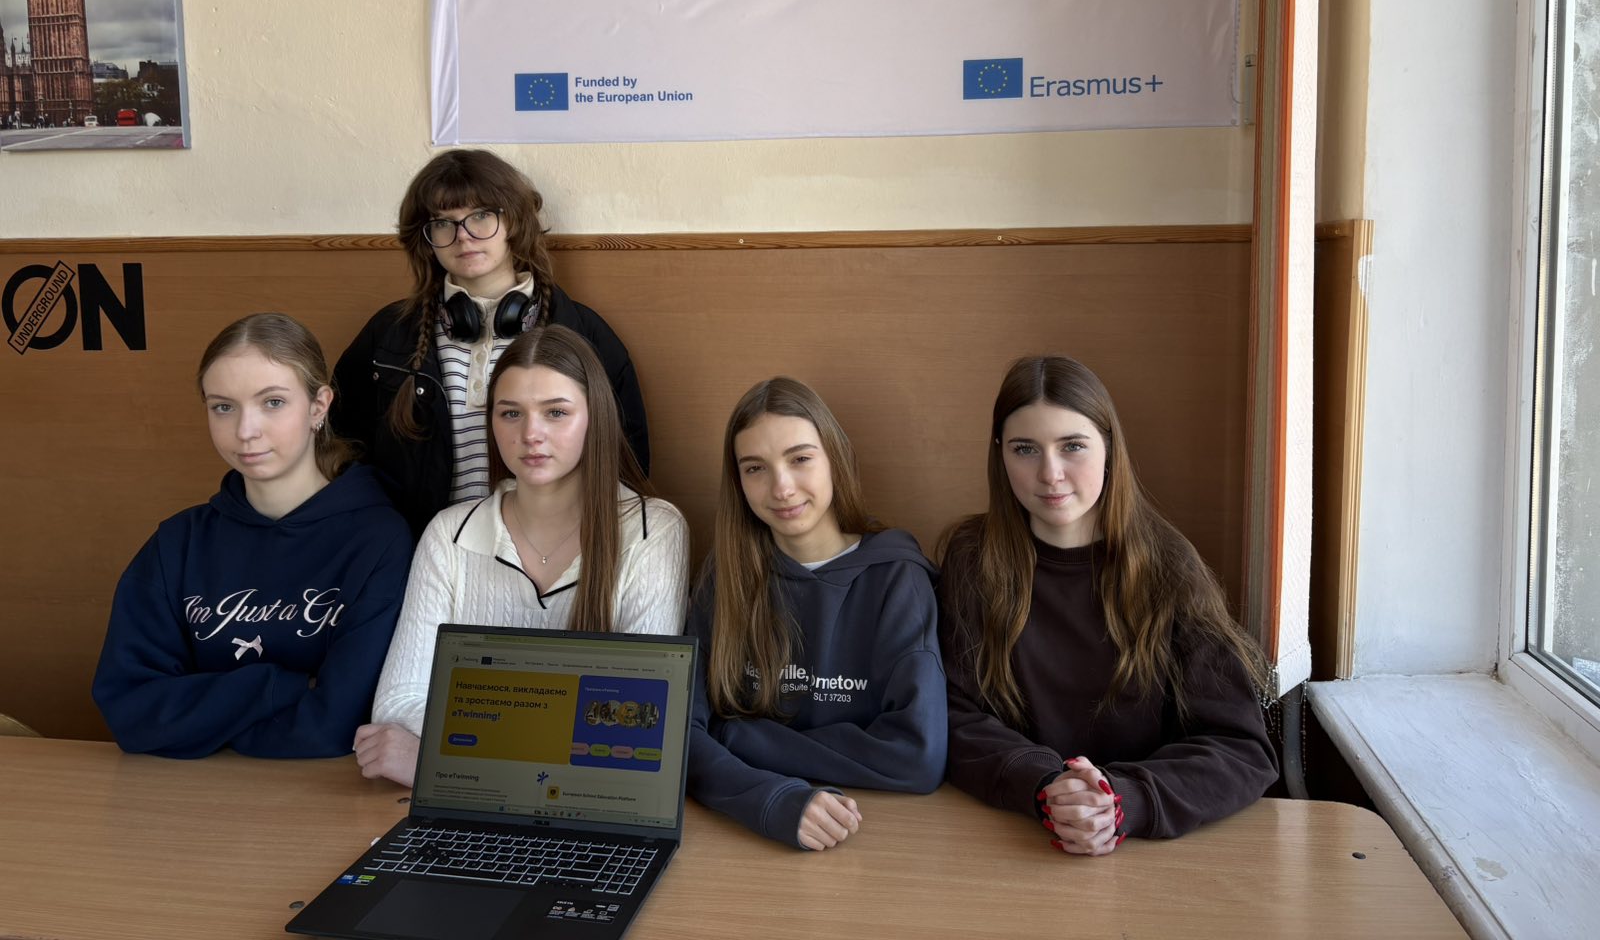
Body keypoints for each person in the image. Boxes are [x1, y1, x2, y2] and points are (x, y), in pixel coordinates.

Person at [938, 356, 1277, 856]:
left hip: (1150, 850)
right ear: (1000, 456)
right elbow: (953, 717)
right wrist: (1046, 785)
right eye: (1025, 449)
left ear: (1109, 449)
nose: (1050, 474)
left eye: (1072, 446)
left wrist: (1122, 801)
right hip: (1010, 838)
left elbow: (1241, 749)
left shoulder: (1169, 566)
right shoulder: (972, 558)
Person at [356, 325, 687, 786]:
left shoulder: (654, 529)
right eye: (511, 413)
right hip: (464, 812)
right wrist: (542, 736)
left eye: (556, 412)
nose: (531, 433)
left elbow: (637, 718)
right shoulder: (448, 534)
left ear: (596, 417)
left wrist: (436, 762)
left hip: (586, 808)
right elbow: (397, 704)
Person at [91, 313, 413, 758]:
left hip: (320, 793)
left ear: (319, 406)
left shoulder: (380, 541)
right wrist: (282, 687)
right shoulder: (177, 544)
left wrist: (201, 724)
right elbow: (132, 713)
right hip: (187, 791)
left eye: (272, 402)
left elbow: (334, 726)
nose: (245, 431)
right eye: (223, 407)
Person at [333, 149, 649, 537]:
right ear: (427, 239)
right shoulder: (389, 334)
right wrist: (384, 535)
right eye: (443, 223)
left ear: (512, 221)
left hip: (552, 547)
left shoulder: (582, 331)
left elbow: (625, 461)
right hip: (422, 548)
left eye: (481, 215)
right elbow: (341, 448)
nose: (463, 236)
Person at [686, 378, 946, 851]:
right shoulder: (725, 577)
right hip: (741, 833)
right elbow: (682, 735)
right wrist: (769, 798)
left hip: (873, 831)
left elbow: (916, 757)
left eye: (800, 458)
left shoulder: (896, 578)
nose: (782, 487)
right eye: (755, 468)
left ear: (835, 459)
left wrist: (740, 738)